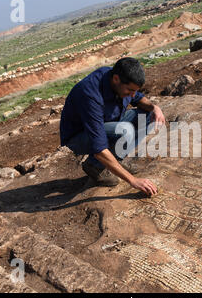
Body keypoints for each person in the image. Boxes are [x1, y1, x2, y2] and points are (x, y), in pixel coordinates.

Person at [60, 57, 166, 196]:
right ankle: (95, 166)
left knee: (147, 115)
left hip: (108, 121)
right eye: (130, 90)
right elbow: (98, 147)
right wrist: (133, 180)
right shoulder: (90, 94)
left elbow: (138, 98)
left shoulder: (120, 78)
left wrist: (154, 107)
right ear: (116, 79)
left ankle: (116, 160)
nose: (132, 94)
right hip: (80, 136)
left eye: (135, 90)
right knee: (125, 131)